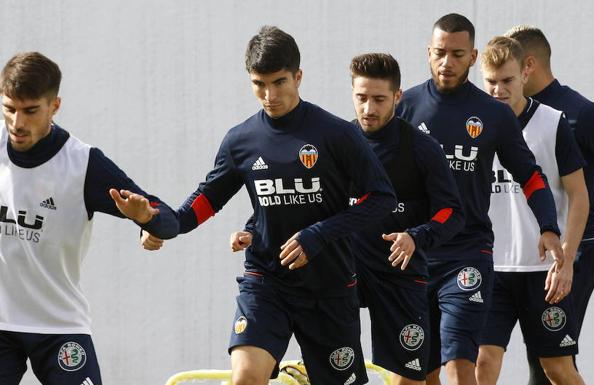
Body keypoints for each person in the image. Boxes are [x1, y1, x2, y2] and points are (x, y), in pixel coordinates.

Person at [142, 26, 396, 385]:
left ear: (298, 77)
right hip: (267, 283)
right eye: (259, 84)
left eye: (279, 82)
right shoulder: (240, 140)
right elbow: (199, 206)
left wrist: (318, 235)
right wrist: (155, 223)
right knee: (245, 378)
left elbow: (381, 199)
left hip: (330, 288)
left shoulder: (337, 134)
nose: (269, 94)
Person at [231, 53, 465, 385]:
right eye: (362, 98)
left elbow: (453, 213)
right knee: (330, 366)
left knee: (411, 379)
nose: (369, 108)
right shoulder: (337, 139)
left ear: (398, 97)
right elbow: (297, 202)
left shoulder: (421, 148)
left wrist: (416, 236)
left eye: (379, 99)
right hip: (342, 273)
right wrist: (253, 229)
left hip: (397, 273)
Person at [396, 14, 563, 385]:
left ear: (473, 57)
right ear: (428, 52)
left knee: (459, 367)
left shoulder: (493, 113)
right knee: (411, 376)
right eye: (439, 53)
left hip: (467, 254)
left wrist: (549, 227)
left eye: (457, 54)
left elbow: (531, 178)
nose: (446, 62)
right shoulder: (404, 108)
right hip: (414, 254)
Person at [0, 52, 179, 385]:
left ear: (54, 106)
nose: (17, 123)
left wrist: (147, 219)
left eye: (30, 111)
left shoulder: (83, 164)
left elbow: (169, 221)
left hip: (59, 326)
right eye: (9, 109)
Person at [505, 25, 594, 385]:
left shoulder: (581, 113)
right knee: (536, 358)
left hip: (578, 249)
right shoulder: (502, 114)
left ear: (528, 65)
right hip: (523, 253)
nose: (498, 81)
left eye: (509, 69)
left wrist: (569, 256)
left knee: (553, 358)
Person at [475, 36, 588, 385]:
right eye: (491, 82)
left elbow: (578, 196)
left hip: (542, 269)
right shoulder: (472, 124)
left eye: (506, 81)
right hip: (490, 266)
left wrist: (566, 260)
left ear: (524, 74)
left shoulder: (553, 122)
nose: (498, 90)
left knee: (556, 368)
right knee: (483, 361)